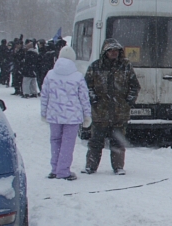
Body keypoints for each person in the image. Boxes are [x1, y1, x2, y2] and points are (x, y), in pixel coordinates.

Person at [82, 38, 140, 175]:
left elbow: (135, 86)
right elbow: (86, 86)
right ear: (105, 52)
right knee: (95, 142)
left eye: (116, 50)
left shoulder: (126, 67)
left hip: (119, 113)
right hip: (100, 113)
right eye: (111, 50)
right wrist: (94, 99)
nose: (114, 53)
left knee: (118, 142)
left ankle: (118, 167)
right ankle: (91, 166)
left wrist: (128, 101)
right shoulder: (95, 67)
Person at [40, 46, 92, 180]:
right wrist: (87, 115)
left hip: (54, 114)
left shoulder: (50, 75)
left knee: (55, 141)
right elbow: (84, 98)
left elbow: (44, 95)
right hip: (72, 116)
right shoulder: (78, 76)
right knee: (67, 143)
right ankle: (63, 170)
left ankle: (54, 169)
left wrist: (43, 112)